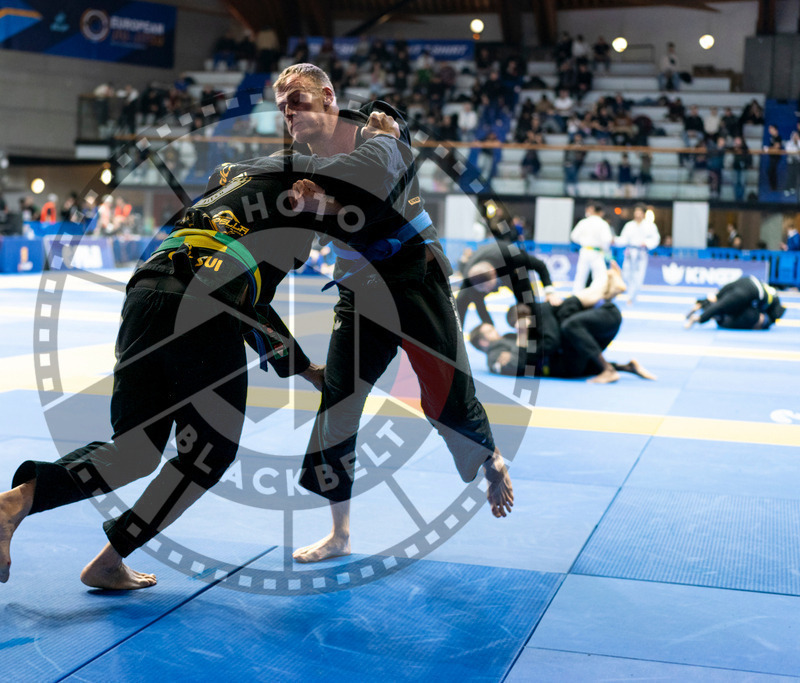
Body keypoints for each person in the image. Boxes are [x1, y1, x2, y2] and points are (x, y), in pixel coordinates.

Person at [0, 116, 407, 589]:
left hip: (148, 290)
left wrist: (303, 368)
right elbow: (256, 300)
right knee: (209, 454)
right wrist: (385, 140)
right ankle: (107, 555)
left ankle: (14, 503)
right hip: (204, 303)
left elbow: (250, 301)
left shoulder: (236, 178)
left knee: (135, 450)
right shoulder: (303, 186)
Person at [272, 63, 513, 565]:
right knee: (337, 404)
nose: (290, 112)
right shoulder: (302, 160)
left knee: (444, 390)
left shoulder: (380, 129)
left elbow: (369, 183)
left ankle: (488, 458)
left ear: (328, 96)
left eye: (297, 99)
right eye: (282, 107)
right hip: (358, 289)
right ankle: (339, 533)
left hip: (412, 277)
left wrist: (312, 194)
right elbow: (312, 219)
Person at [471, 264, 655, 384]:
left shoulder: (508, 337)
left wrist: (524, 334)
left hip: (563, 359)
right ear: (483, 342)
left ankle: (607, 292)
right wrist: (522, 333)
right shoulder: (494, 354)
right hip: (559, 364)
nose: (494, 330)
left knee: (563, 313)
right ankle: (607, 292)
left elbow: (536, 348)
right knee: (562, 314)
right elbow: (517, 364)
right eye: (489, 331)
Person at [455, 241, 557, 329]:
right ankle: (456, 344)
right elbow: (479, 304)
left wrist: (549, 292)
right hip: (482, 271)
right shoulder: (469, 277)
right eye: (484, 291)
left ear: (494, 274)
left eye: (489, 288)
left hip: (512, 272)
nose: (487, 292)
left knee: (528, 302)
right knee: (460, 301)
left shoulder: (512, 256)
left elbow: (540, 265)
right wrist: (489, 325)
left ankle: (535, 333)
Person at [685, 276, 785, 330]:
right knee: (720, 304)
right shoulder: (773, 305)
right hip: (750, 290)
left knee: (719, 299)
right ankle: (700, 314)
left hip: (749, 281)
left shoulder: (773, 299)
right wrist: (701, 319)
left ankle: (701, 305)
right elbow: (719, 305)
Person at [615, 204, 660, 304]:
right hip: (630, 252)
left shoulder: (650, 226)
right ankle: (629, 293)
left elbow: (655, 239)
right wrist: (615, 240)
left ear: (643, 214)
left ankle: (631, 297)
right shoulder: (629, 225)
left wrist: (647, 243)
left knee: (638, 277)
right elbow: (623, 239)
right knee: (626, 275)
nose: (637, 214)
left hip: (641, 253)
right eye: (636, 212)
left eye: (639, 213)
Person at [570, 202, 613, 293]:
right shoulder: (603, 223)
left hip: (584, 250)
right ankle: (596, 295)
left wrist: (583, 242)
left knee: (580, 276)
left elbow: (573, 236)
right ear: (601, 212)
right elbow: (606, 240)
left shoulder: (584, 222)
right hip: (596, 252)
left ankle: (576, 296)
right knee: (600, 276)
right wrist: (605, 250)